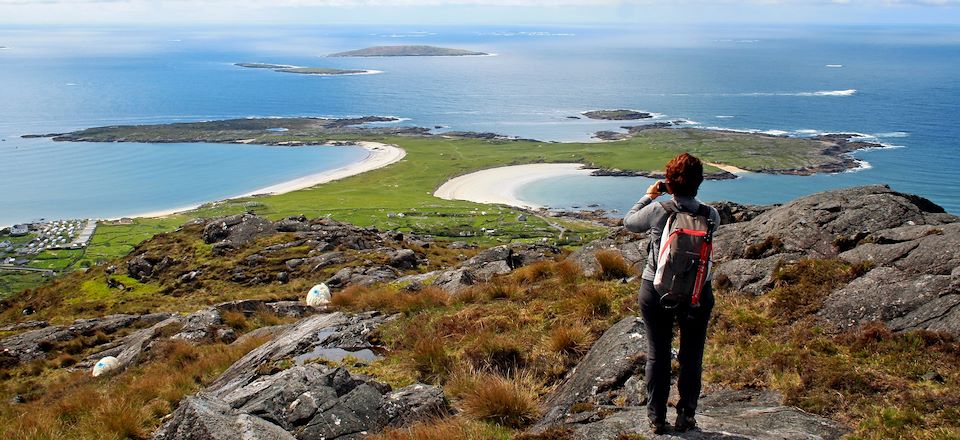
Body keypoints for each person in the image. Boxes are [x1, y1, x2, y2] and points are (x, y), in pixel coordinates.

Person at [622, 152, 721, 434]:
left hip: (656, 288)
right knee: (692, 355)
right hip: (697, 292)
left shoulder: (659, 210)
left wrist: (649, 196)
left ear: (668, 181)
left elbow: (629, 222)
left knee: (658, 354)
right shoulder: (710, 215)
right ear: (699, 182)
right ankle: (687, 416)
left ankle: (656, 418)